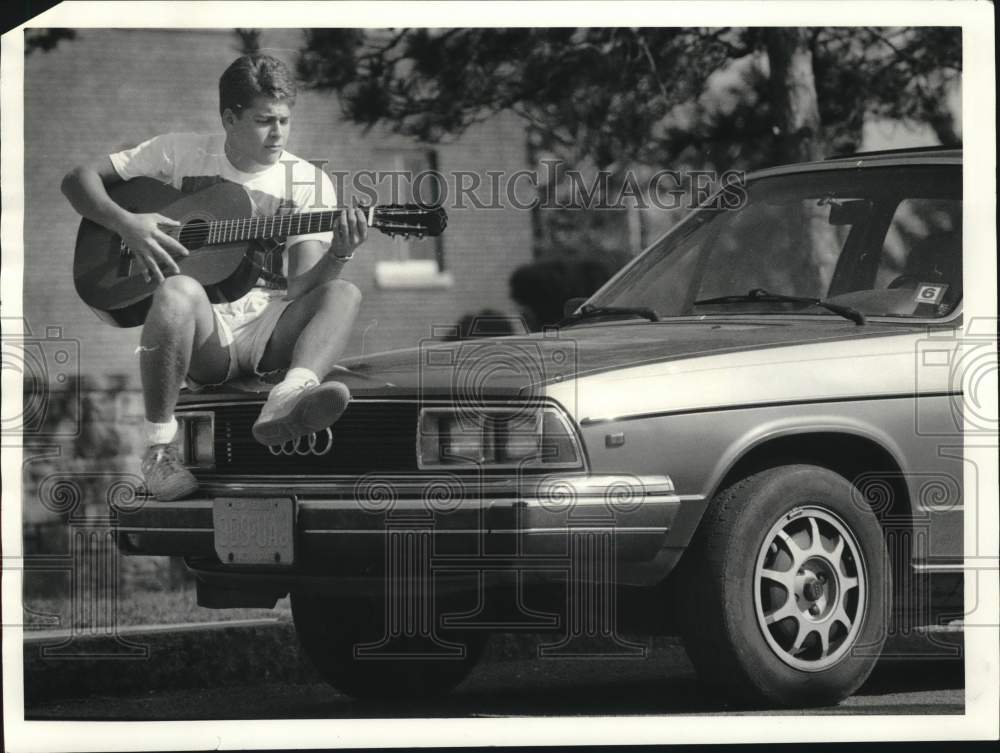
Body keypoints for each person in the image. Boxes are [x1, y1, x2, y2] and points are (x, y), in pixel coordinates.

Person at [61, 54, 368, 500]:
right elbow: (77, 180)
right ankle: (159, 452)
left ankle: (289, 398)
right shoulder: (177, 152)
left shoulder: (308, 181)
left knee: (343, 291)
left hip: (270, 326)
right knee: (178, 288)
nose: (278, 133)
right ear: (230, 117)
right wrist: (128, 223)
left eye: (285, 120)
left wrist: (339, 252)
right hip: (206, 334)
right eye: (265, 121)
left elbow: (303, 286)